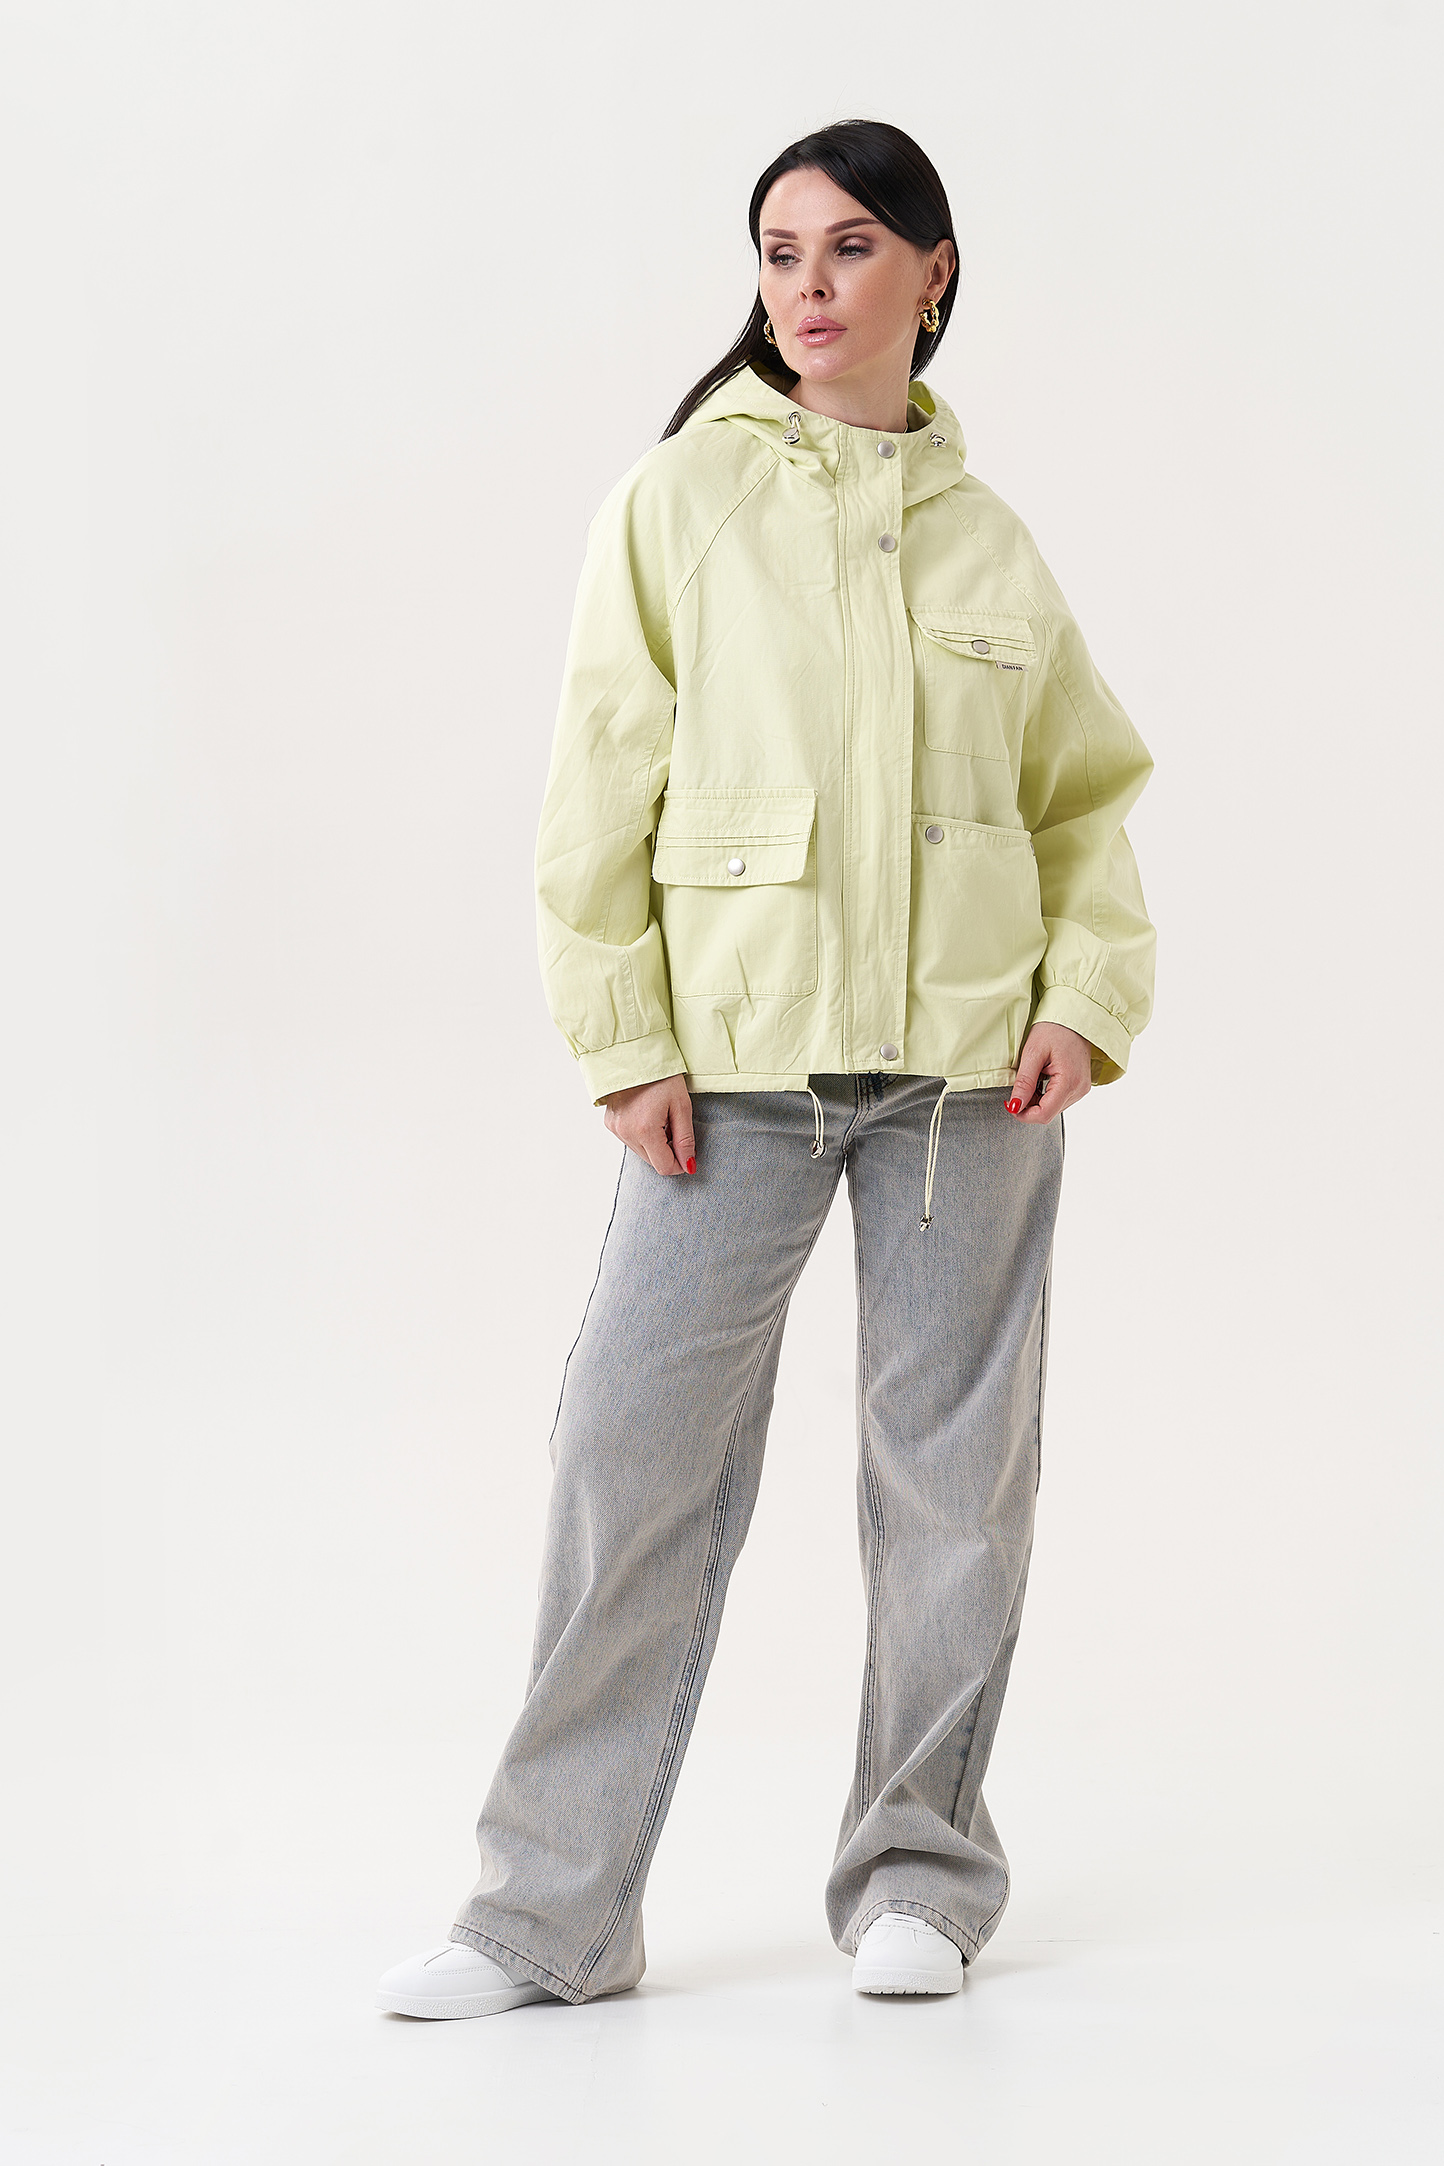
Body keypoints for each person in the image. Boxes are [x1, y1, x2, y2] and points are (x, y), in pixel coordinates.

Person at [376, 118, 1156, 2021]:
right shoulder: (681, 501)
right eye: (782, 251)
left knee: (955, 1481)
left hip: (973, 1083)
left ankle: (920, 1877)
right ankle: (548, 1914)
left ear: (934, 276)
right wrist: (625, 1035)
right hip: (730, 1073)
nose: (809, 285)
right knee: (625, 1453)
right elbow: (596, 789)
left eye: (852, 247)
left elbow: (1084, 798)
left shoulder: (989, 537)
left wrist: (1084, 994)